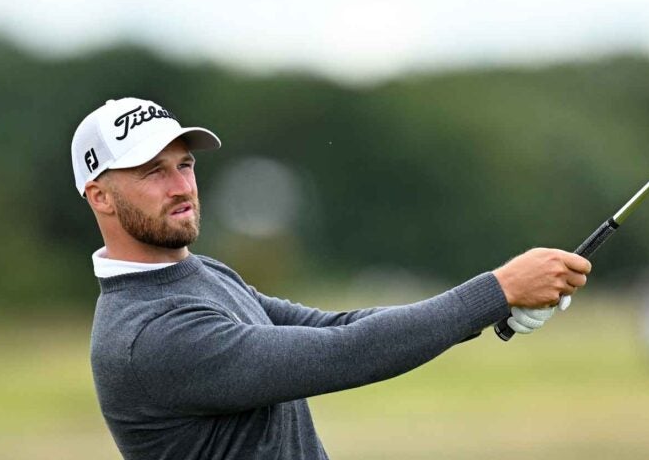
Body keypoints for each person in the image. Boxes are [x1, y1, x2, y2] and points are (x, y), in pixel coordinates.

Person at [71, 97, 592, 460]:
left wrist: (496, 304)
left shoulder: (199, 274)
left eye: (184, 165)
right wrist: (497, 288)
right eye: (153, 172)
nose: (180, 185)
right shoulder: (150, 335)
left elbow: (336, 325)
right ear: (99, 196)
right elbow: (344, 353)